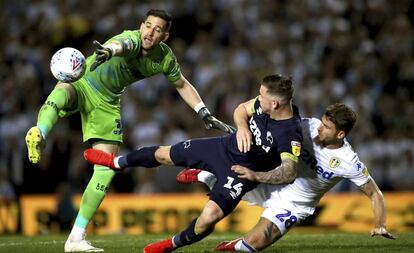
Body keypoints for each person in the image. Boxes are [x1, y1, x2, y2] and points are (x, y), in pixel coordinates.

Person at [25, 9, 233, 252]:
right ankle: (39, 133)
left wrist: (204, 112)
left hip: (107, 104)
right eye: (147, 25)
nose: (150, 32)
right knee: (62, 91)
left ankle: (76, 238)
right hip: (84, 82)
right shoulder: (131, 38)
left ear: (165, 36)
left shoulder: (164, 58)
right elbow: (121, 45)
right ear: (141, 25)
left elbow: (182, 84)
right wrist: (109, 50)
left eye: (157, 30)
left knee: (106, 169)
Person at [83, 74, 303, 253]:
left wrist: (256, 176)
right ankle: (116, 162)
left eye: (261, 95)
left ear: (275, 103)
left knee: (208, 219)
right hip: (222, 147)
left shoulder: (289, 132)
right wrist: (243, 127)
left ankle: (172, 244)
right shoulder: (264, 104)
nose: (258, 97)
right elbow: (240, 110)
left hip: (240, 172)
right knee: (165, 154)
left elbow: (289, 171)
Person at [178, 103, 395, 252]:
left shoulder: (348, 161)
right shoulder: (306, 126)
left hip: (294, 204)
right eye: (322, 122)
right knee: (235, 170)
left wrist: (380, 224)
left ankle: (234, 246)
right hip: (272, 178)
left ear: (340, 134)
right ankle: (208, 175)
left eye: (327, 127)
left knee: (255, 243)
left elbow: (375, 194)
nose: (320, 128)